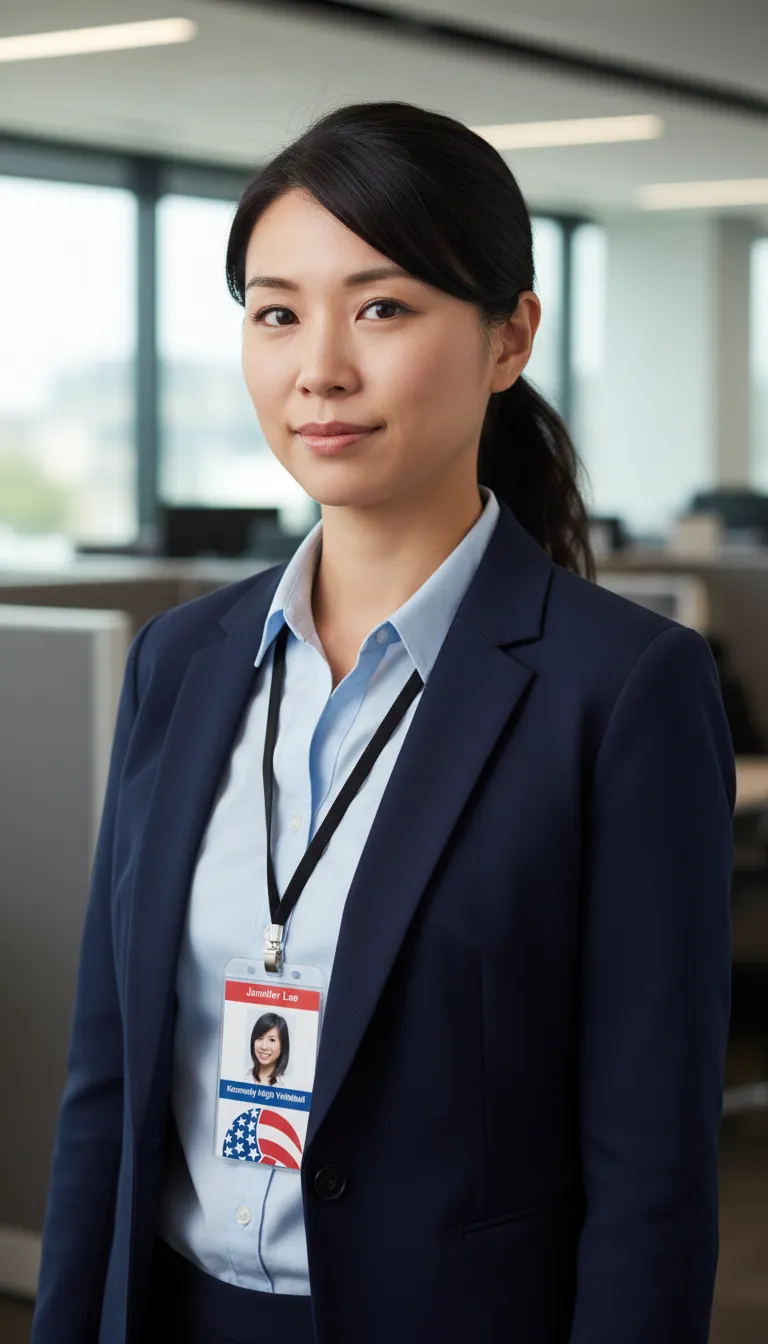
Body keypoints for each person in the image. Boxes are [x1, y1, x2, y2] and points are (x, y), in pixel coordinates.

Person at [30, 100, 735, 1344]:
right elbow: (109, 1086)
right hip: (177, 1311)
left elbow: (651, 1169)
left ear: (510, 336)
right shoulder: (182, 663)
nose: (320, 370)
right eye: (277, 311)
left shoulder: (621, 690)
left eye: (384, 307)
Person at [244, 1013, 290, 1085]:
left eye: (272, 1040)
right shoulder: (242, 1077)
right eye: (259, 1038)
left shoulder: (289, 1084)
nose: (264, 1047)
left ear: (282, 1046)